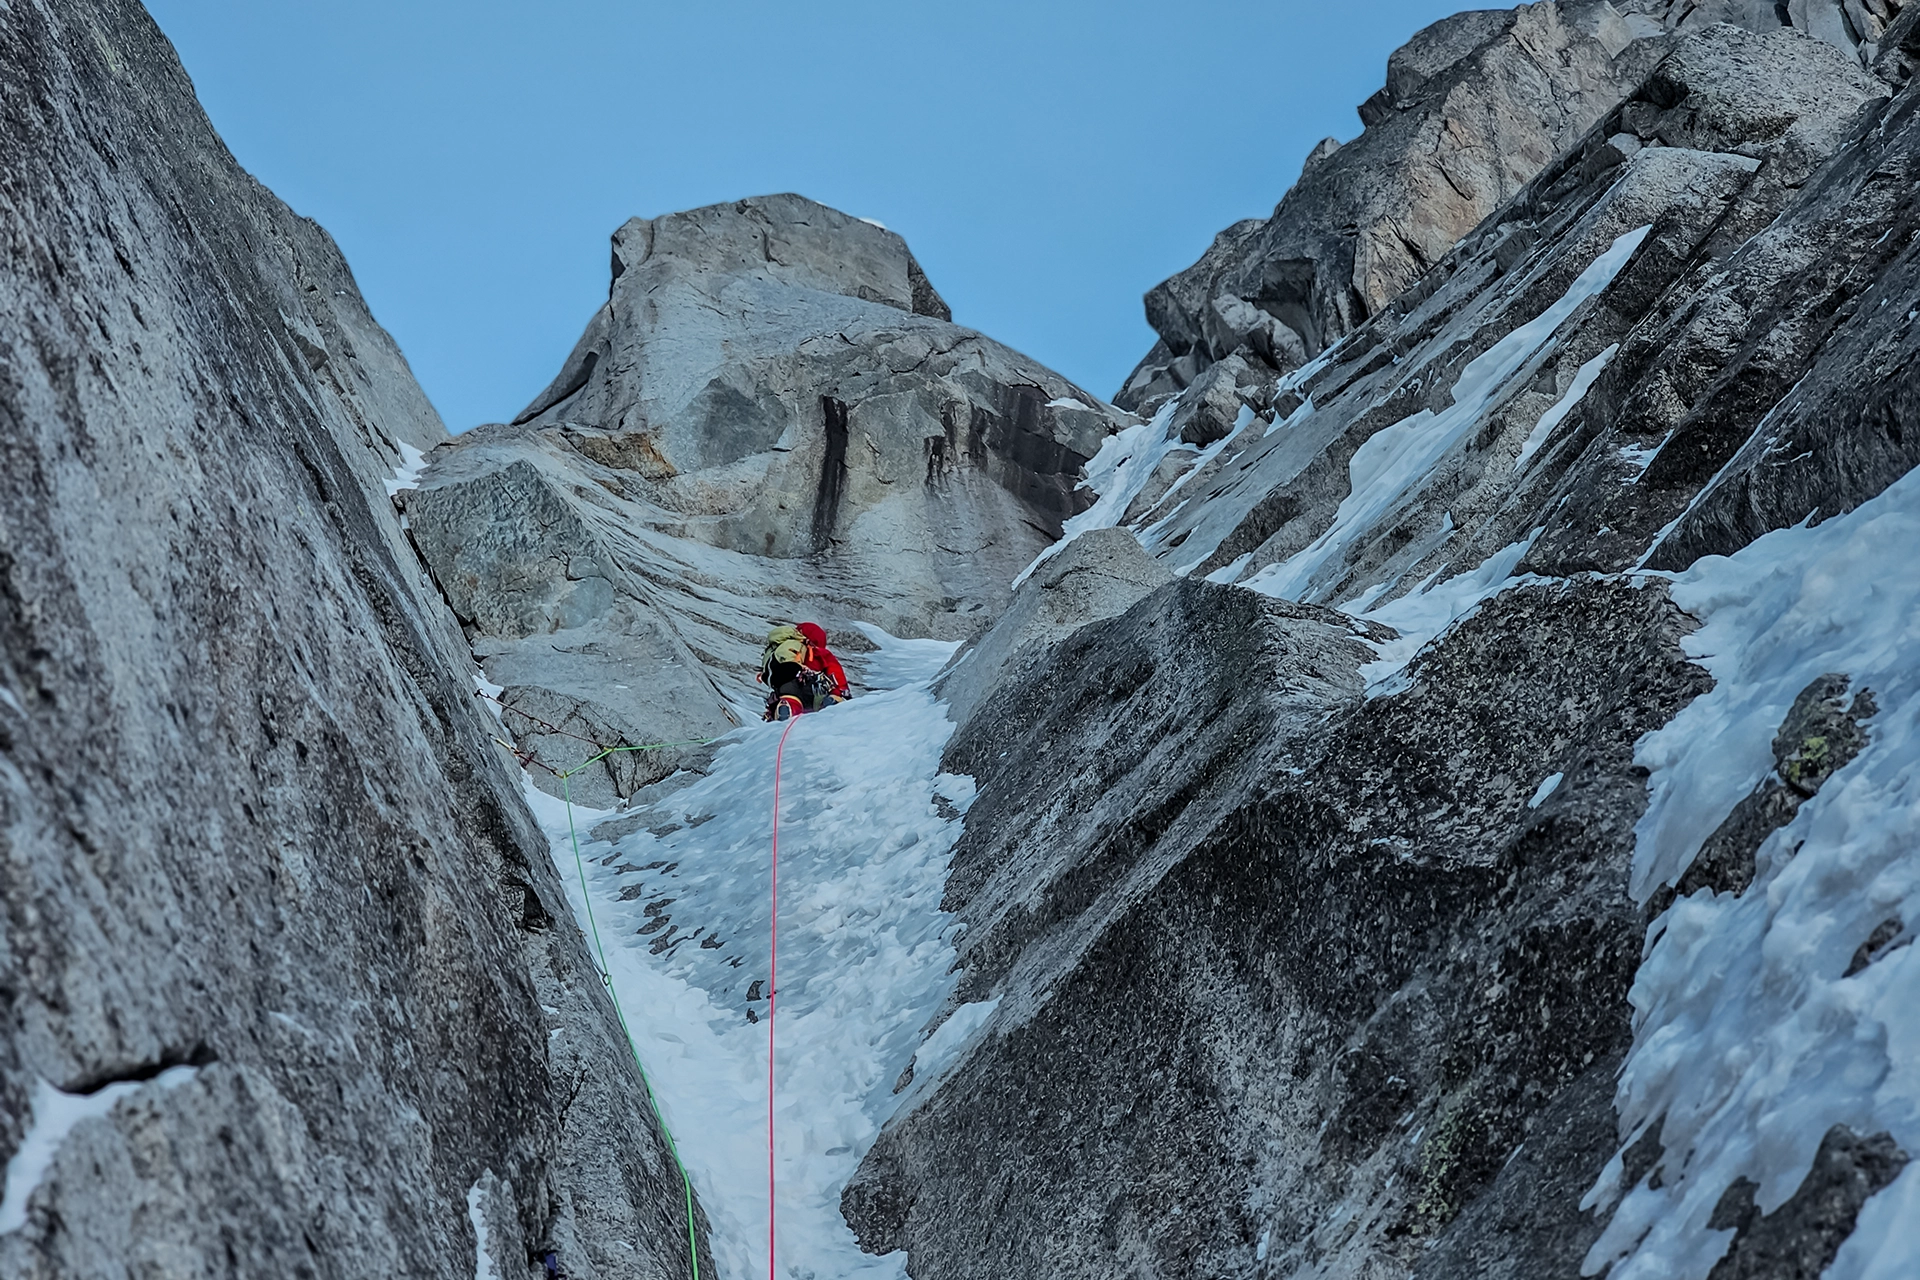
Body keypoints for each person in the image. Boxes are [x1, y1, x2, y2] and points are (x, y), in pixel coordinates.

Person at [757, 622, 850, 721]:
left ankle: (788, 707)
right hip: (811, 687)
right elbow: (835, 671)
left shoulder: (784, 648)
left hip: (787, 685)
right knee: (825, 699)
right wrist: (840, 691)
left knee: (791, 700)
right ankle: (832, 702)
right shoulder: (820, 652)